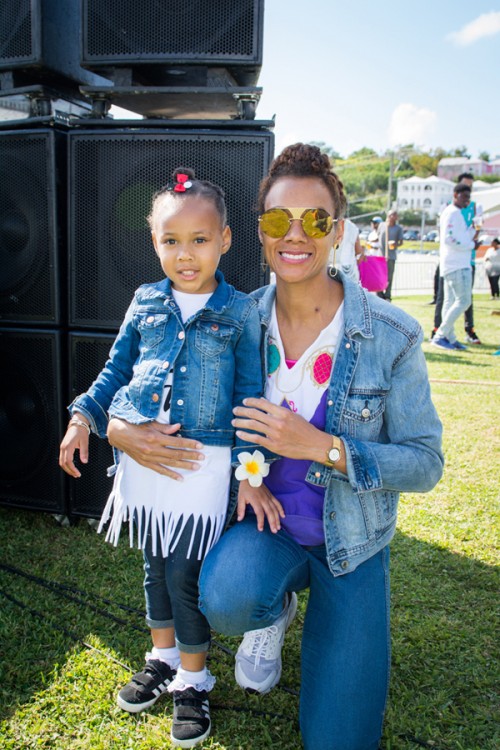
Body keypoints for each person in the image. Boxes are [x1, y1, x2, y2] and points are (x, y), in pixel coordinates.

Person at [105, 144, 444, 750]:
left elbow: (425, 463)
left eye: (315, 219)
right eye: (278, 219)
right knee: (225, 597)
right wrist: (115, 427)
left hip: (350, 545)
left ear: (338, 230)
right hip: (266, 529)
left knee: (340, 741)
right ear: (258, 231)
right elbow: (147, 374)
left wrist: (323, 446)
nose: (295, 235)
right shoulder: (234, 318)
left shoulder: (392, 333)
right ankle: (273, 609)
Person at [59, 167, 264, 748]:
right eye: (171, 240)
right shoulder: (145, 300)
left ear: (225, 240)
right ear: (154, 242)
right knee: (154, 564)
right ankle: (163, 656)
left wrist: (251, 474)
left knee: (185, 572)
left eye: (200, 239)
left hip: (203, 467)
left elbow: (250, 398)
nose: (185, 254)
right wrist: (82, 418)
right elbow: (115, 372)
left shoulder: (241, 311)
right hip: (143, 463)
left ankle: (194, 679)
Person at [431, 173, 483, 344]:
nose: (467, 200)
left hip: (455, 263)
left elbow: (461, 236)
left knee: (450, 301)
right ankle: (441, 335)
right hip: (457, 264)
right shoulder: (452, 213)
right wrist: (471, 245)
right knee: (464, 301)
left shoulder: (457, 213)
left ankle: (450, 337)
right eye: (464, 196)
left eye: (469, 197)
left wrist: (474, 231)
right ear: (455, 195)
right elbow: (450, 239)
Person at [377, 209, 404, 300]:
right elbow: (378, 237)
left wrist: (395, 244)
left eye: (394, 215)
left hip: (391, 256)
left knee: (389, 277)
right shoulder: (382, 225)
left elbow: (401, 242)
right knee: (380, 276)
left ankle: (387, 295)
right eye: (391, 215)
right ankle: (379, 294)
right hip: (380, 256)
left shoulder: (398, 228)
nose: (392, 217)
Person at [331, 216, 365, 282]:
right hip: (350, 272)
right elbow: (358, 251)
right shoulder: (353, 227)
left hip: (331, 270)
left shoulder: (330, 224)